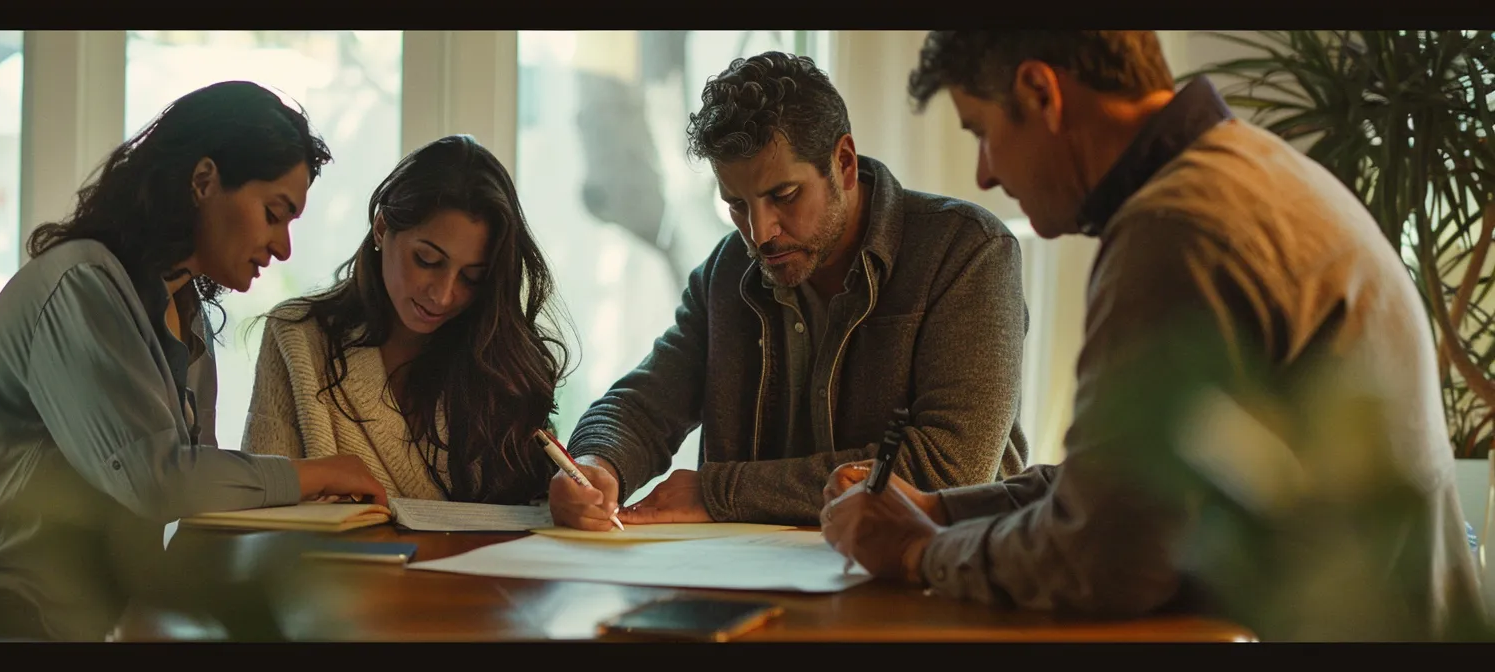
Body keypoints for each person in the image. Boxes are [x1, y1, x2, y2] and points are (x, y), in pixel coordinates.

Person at [820, 31, 1486, 639]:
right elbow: (1132, 477)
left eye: (982, 132)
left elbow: (1105, 558)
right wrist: (939, 509)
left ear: (1040, 92)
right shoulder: (1252, 171)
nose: (984, 174)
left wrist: (915, 552)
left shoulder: (1179, 226)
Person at [0, 81, 388, 642]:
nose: (284, 247)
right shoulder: (81, 285)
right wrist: (315, 473)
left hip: (76, 607)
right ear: (203, 181)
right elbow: (156, 479)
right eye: (275, 213)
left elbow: (194, 473)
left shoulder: (181, 306)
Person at [550, 51, 1031, 530]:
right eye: (737, 204)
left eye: (783, 196)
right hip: (757, 583)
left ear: (843, 162)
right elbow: (644, 406)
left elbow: (949, 470)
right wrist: (595, 463)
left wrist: (722, 493)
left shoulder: (968, 252)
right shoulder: (725, 273)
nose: (760, 233)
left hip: (921, 586)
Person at [244, 135, 572, 504]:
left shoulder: (501, 366)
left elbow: (539, 512)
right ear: (382, 228)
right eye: (427, 261)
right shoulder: (297, 337)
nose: (443, 294)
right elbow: (263, 507)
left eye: (471, 277)